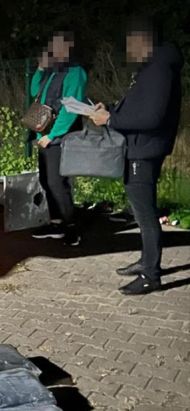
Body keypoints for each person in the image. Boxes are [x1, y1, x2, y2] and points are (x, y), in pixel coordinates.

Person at [90, 17, 183, 296]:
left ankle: (150, 275)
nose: (129, 48)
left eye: (131, 42)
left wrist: (110, 120)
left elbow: (151, 116)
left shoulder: (158, 68)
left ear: (144, 40)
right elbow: (139, 106)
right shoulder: (151, 67)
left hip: (145, 149)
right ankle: (146, 261)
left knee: (145, 212)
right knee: (142, 209)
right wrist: (112, 108)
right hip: (141, 146)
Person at [29, 31, 87, 246]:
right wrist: (40, 69)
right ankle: (56, 223)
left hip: (60, 137)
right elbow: (35, 92)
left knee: (57, 182)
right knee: (46, 180)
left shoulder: (75, 72)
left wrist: (53, 135)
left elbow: (71, 108)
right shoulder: (54, 71)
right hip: (44, 134)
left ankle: (71, 228)